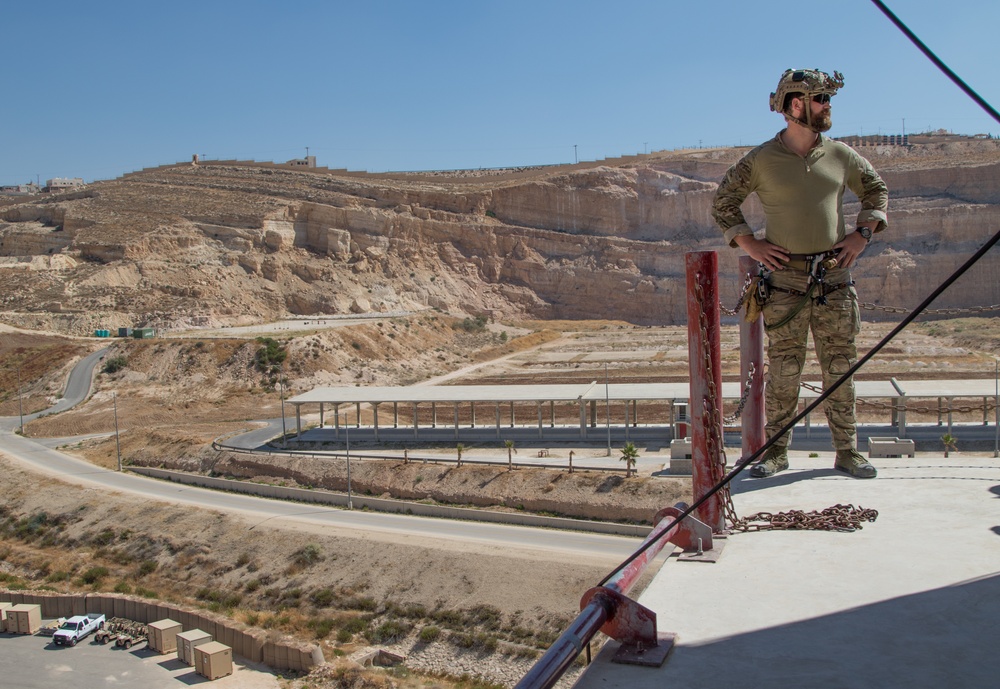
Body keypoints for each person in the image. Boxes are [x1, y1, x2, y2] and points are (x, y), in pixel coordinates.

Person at [712, 68, 888, 479]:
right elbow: (724, 203)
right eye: (820, 99)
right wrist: (749, 243)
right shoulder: (760, 160)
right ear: (795, 105)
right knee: (785, 370)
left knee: (840, 367)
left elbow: (876, 190)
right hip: (785, 283)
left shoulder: (841, 155)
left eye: (828, 99)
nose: (828, 107)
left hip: (833, 279)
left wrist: (862, 234)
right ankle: (775, 454)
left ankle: (847, 452)